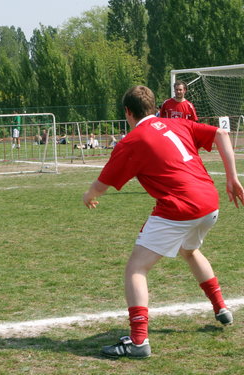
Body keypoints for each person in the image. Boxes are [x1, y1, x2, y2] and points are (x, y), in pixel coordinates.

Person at [83, 85, 244, 359]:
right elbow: (220, 133)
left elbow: (102, 184)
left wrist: (89, 195)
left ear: (127, 112)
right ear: (155, 107)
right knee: (190, 251)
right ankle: (221, 307)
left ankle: (137, 342)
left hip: (180, 207)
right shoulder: (176, 124)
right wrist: (232, 177)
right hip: (209, 202)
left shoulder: (133, 140)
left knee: (136, 268)